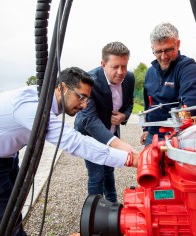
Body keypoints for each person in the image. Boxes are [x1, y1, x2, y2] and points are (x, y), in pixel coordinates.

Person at [0, 67, 138, 236]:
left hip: (1, 156)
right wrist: (129, 159)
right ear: (62, 87)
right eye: (81, 97)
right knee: (11, 222)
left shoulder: (44, 98)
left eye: (87, 99)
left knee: (5, 204)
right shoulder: (33, 107)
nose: (84, 105)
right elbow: (74, 142)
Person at [74, 41, 135, 203]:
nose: (121, 72)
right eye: (115, 67)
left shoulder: (129, 78)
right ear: (103, 64)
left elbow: (130, 103)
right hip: (90, 134)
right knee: (96, 174)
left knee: (109, 170)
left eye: (124, 66)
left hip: (112, 131)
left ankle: (113, 205)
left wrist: (124, 116)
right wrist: (117, 144)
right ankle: (95, 214)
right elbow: (89, 119)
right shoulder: (88, 82)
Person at [140, 22, 196, 146]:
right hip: (153, 136)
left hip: (179, 137)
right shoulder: (150, 72)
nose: (163, 56)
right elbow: (148, 103)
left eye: (169, 50)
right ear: (152, 49)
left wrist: (179, 126)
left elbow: (192, 102)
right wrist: (146, 129)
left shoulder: (187, 67)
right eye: (158, 51)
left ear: (178, 44)